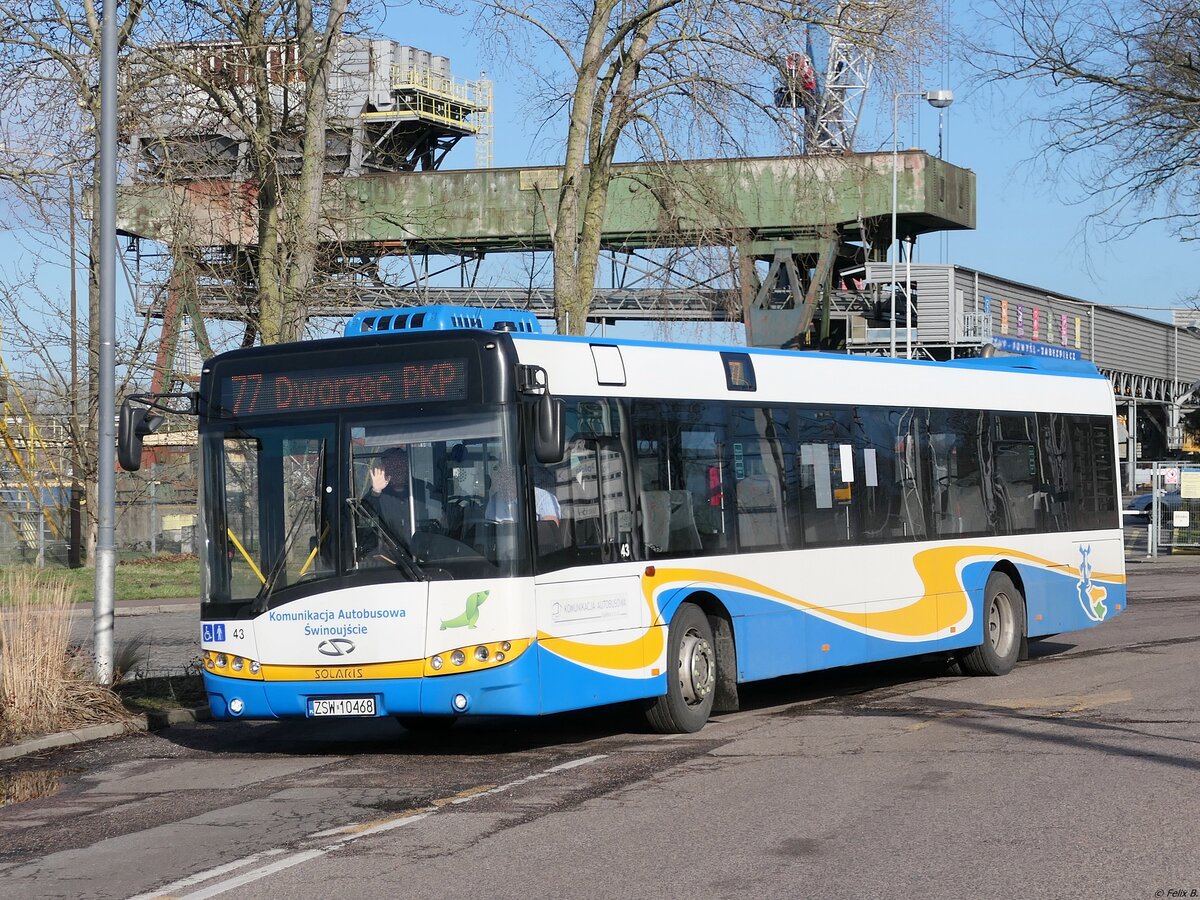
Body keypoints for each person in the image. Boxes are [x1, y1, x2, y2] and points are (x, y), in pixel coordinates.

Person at [485, 466, 560, 523]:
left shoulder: (543, 498)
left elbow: (551, 529)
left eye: (507, 479)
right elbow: (488, 527)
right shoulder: (494, 501)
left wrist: (514, 527)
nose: (504, 485)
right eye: (501, 480)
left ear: (518, 478)